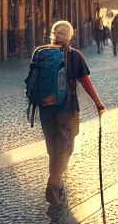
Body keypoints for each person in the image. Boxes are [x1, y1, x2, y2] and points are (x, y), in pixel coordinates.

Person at [36, 20, 105, 214]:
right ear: (70, 36)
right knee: (67, 147)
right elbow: (85, 82)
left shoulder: (41, 54)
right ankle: (54, 183)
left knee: (53, 147)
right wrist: (98, 103)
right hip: (66, 108)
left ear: (52, 34)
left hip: (45, 108)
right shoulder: (74, 56)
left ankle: (56, 183)